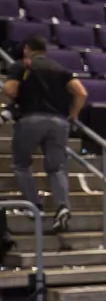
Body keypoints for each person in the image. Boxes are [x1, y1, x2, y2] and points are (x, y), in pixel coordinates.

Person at [3, 33, 85, 232]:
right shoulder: (60, 69)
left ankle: (35, 206)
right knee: (56, 168)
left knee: (21, 164)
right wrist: (73, 115)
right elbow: (81, 92)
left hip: (30, 119)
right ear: (45, 51)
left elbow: (10, 90)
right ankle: (62, 207)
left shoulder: (22, 66)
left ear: (26, 49)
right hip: (58, 123)